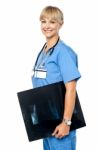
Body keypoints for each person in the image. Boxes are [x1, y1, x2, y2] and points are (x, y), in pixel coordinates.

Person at [32, 6, 81, 150]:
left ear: (61, 24)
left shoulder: (64, 52)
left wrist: (66, 123)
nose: (47, 26)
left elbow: (71, 90)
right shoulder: (44, 51)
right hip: (46, 119)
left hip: (60, 120)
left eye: (52, 22)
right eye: (43, 21)